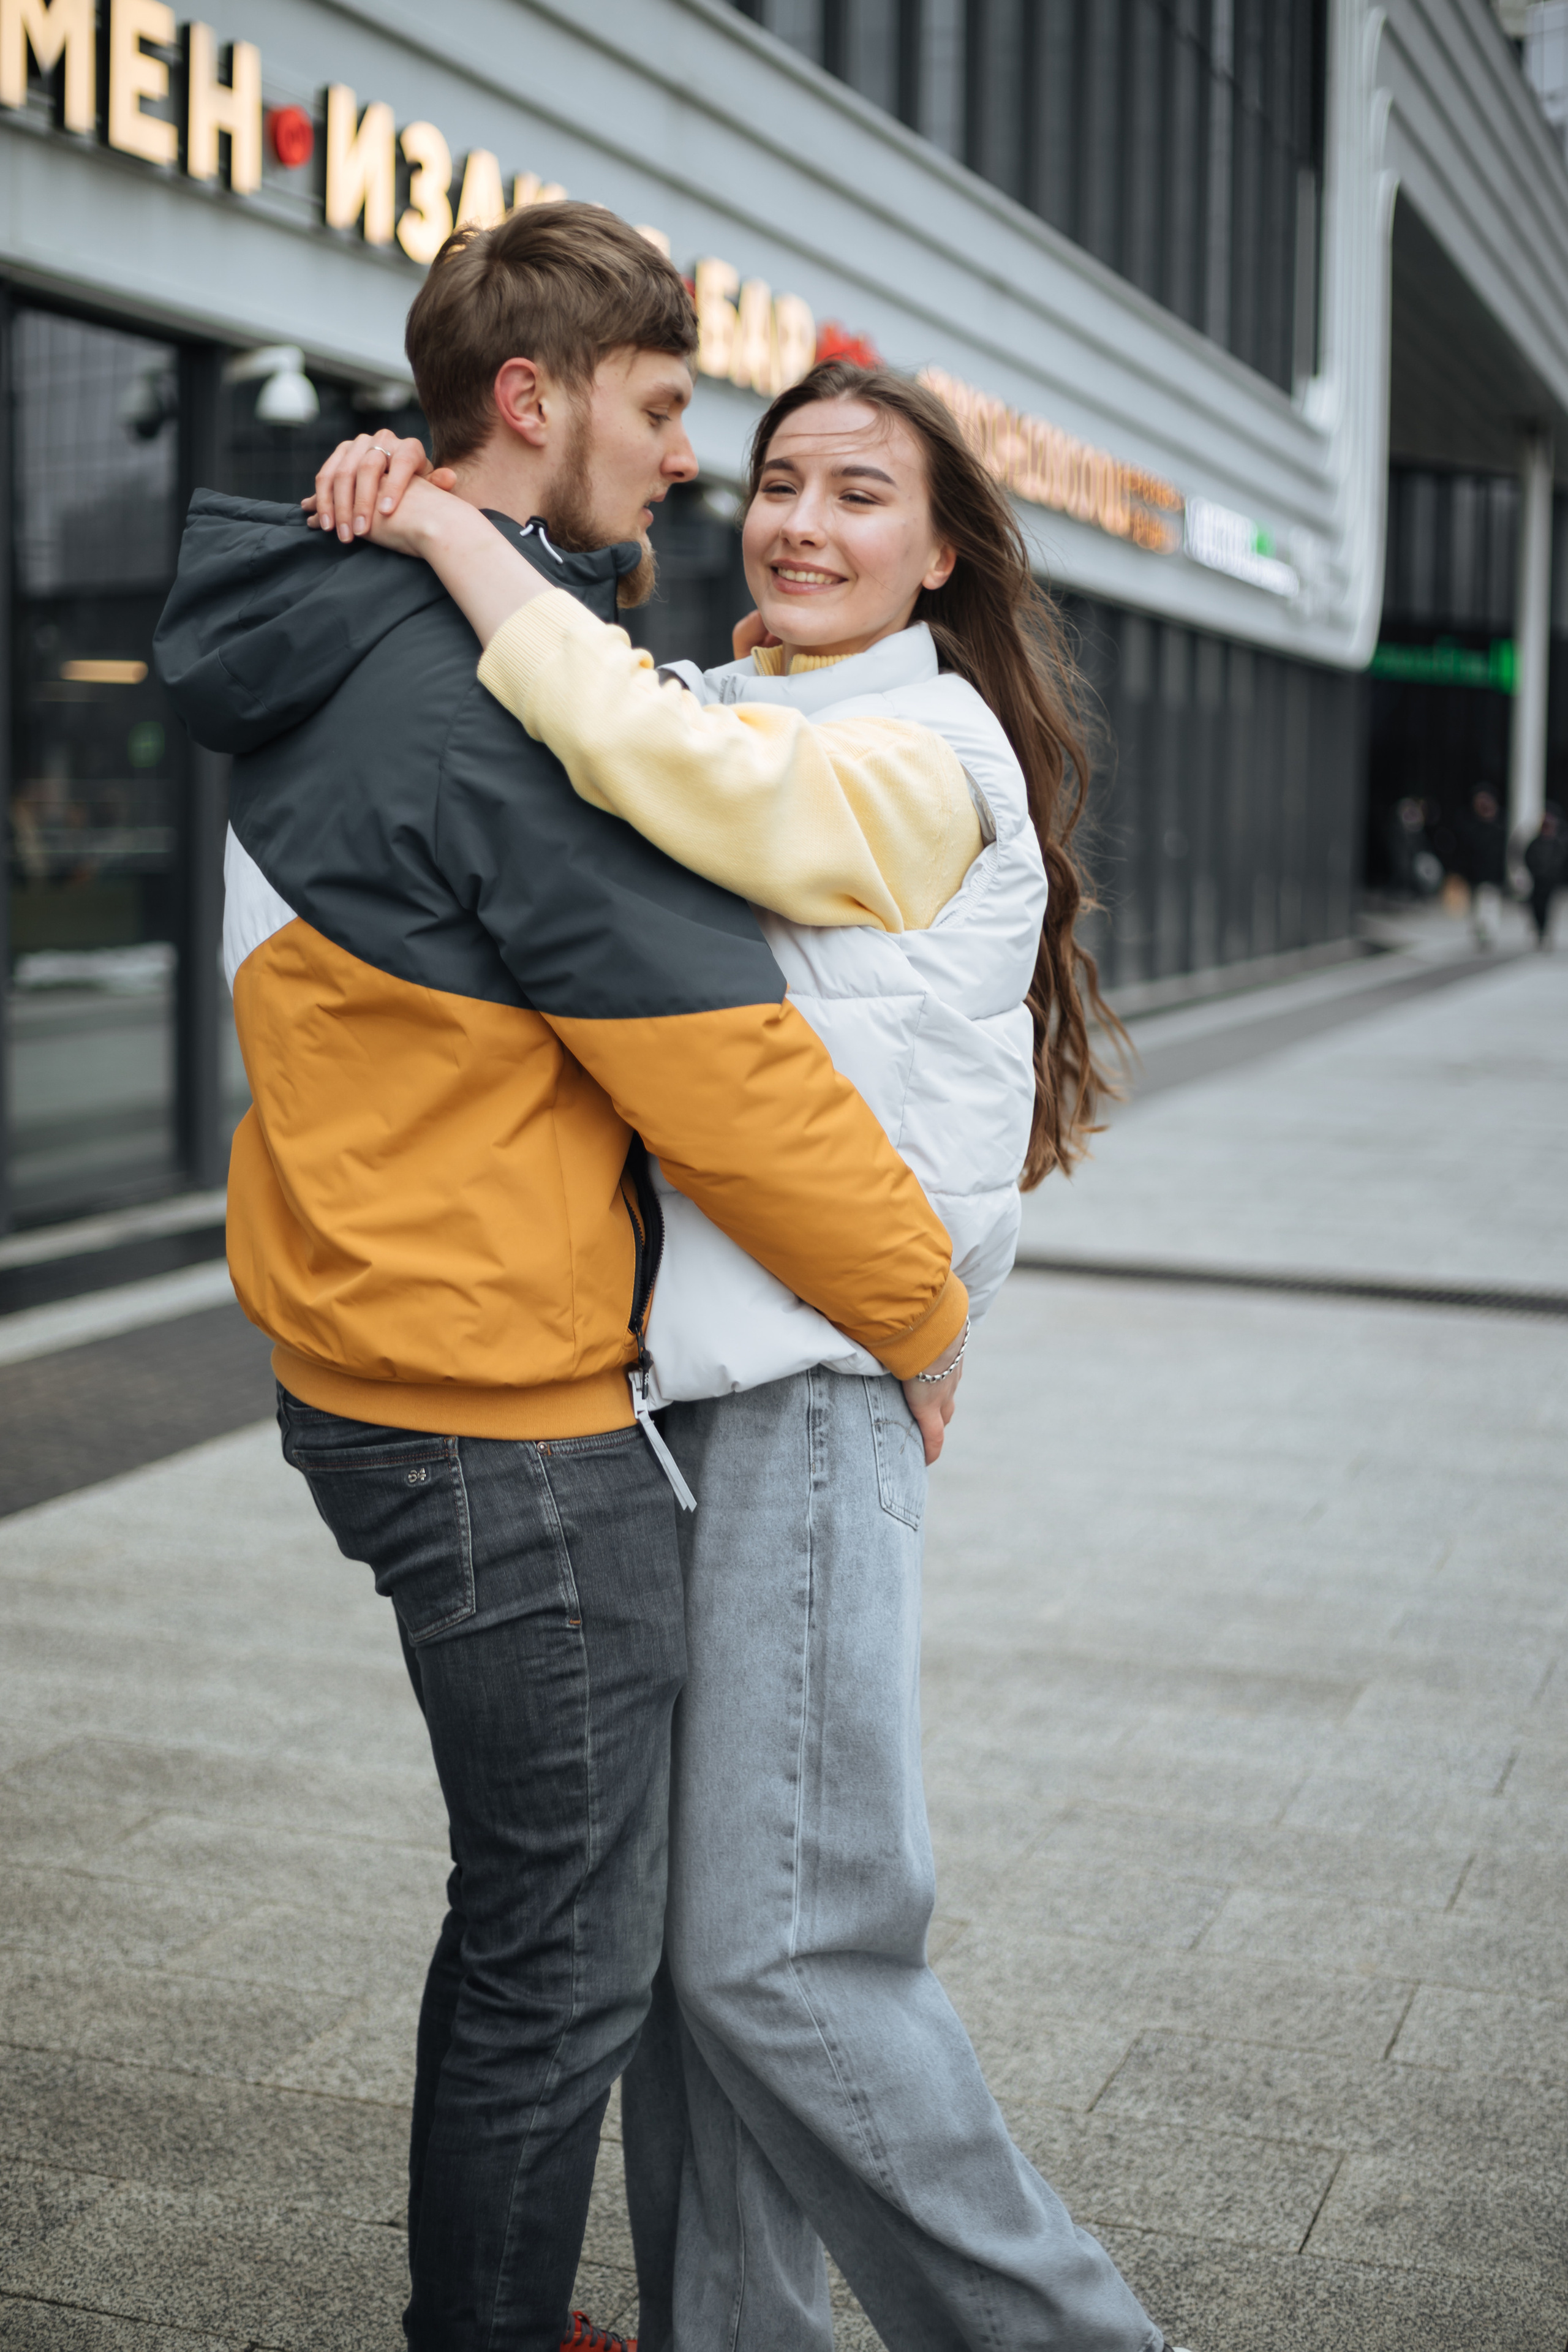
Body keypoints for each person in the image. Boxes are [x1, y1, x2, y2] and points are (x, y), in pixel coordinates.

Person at [153, 205, 973, 2352]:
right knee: (563, 1950)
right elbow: (737, 1094)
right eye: (666, 408)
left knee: (538, 1914)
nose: (697, 462)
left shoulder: (341, 613)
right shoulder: (502, 720)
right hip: (498, 1418)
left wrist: (407, 490)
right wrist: (925, 1302)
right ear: (534, 402)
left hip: (362, 1355)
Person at [315, 343, 1186, 2352]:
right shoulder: (731, 698)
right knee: (673, 1970)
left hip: (801, 1394)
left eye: (860, 493)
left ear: (944, 549)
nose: (798, 520)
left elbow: (659, 774)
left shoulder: (919, 756)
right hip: (662, 1395)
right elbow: (575, 729)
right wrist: (425, 481)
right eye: (780, 480)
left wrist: (450, 521)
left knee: (788, 1960)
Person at [1524, 802, 1567, 947]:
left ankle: (1546, 931)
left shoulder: (1558, 844)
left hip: (1552, 882)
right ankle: (1540, 930)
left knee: (1549, 908)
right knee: (1537, 907)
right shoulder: (1535, 843)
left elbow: (1562, 861)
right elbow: (1528, 858)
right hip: (1538, 880)